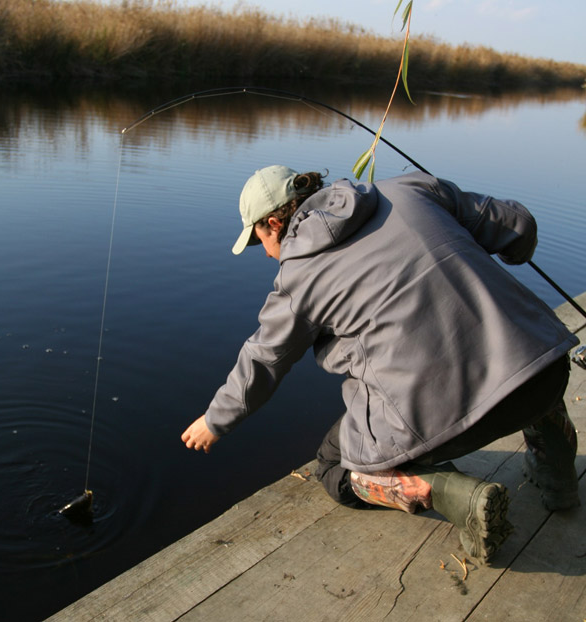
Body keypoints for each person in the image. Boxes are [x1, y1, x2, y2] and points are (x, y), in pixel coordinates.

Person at [181, 165, 579, 563]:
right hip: (545, 372)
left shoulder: (296, 281)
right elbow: (518, 224)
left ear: (274, 222)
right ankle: (559, 480)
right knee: (520, 350)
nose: (266, 253)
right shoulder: (408, 188)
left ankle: (451, 494)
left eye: (261, 240)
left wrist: (215, 421)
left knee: (333, 464)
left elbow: (263, 360)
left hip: (447, 419)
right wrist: (512, 252)